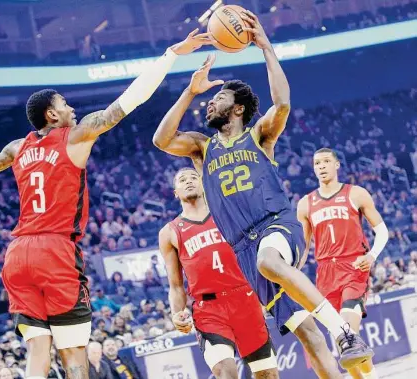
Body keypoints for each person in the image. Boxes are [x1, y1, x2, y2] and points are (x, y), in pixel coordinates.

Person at [0, 31, 212, 379]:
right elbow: (127, 102)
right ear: (51, 115)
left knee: (37, 350)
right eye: (65, 104)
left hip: (17, 255)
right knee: (74, 353)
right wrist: (171, 54)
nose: (72, 108)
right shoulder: (75, 137)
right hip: (55, 249)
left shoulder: (18, 147)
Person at [153, 8, 372, 373]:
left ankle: (345, 332)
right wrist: (190, 91)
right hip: (244, 248)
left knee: (270, 262)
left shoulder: (259, 136)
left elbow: (282, 103)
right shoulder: (201, 148)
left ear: (237, 108)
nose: (211, 102)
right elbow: (161, 140)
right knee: (307, 335)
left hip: (275, 226)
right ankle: (338, 347)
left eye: (218, 98)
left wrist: (266, 47)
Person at [159, 168, 278, 378]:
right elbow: (176, 285)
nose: (188, 182)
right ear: (175, 192)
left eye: (193, 177)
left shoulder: (229, 215)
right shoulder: (170, 232)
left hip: (245, 300)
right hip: (209, 309)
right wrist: (177, 313)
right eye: (182, 180)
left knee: (267, 374)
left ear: (204, 184)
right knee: (225, 372)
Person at [297, 148, 389, 379]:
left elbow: (382, 230)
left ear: (337, 165)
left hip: (353, 267)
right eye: (317, 163)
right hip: (325, 272)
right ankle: (369, 376)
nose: (321, 166)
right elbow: (303, 245)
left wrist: (372, 256)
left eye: (326, 161)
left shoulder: (355, 193)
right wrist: (290, 272)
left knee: (349, 333)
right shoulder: (305, 204)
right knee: (343, 347)